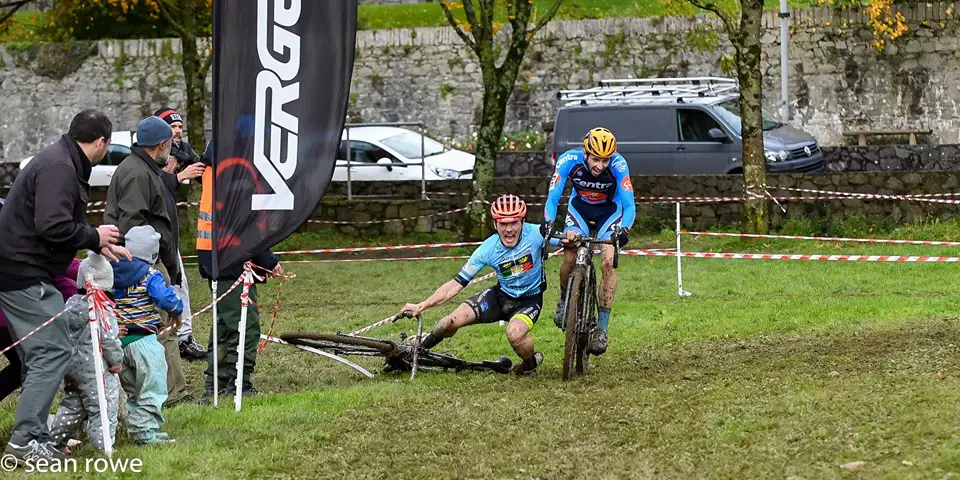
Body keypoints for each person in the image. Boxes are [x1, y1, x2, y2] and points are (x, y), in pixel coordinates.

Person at [0, 109, 129, 465]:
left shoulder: (61, 160)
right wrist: (93, 234)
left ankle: (36, 435)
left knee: (42, 352)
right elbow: (52, 224)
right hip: (22, 272)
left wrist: (95, 242)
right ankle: (25, 442)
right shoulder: (61, 167)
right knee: (52, 350)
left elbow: (59, 218)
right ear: (102, 142)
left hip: (25, 269)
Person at [400, 195, 546, 376]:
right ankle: (417, 350)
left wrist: (572, 237)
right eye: (503, 224)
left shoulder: (538, 233)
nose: (509, 230)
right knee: (447, 323)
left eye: (514, 223)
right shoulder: (487, 248)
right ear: (495, 224)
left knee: (514, 333)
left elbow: (568, 240)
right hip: (500, 297)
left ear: (522, 222)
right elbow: (456, 283)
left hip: (529, 301)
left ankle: (529, 365)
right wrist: (422, 305)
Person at [103, 115, 192, 407]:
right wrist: (145, 268)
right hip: (141, 262)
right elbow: (131, 223)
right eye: (170, 141)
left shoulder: (144, 167)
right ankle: (170, 395)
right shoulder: (137, 173)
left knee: (161, 327)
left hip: (148, 259)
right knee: (162, 326)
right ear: (161, 143)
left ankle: (166, 391)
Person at [195, 152, 282, 399]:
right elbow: (244, 224)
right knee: (245, 325)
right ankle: (238, 382)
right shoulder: (235, 172)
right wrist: (268, 260)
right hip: (231, 257)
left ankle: (217, 383)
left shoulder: (214, 170)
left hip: (213, 255)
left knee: (224, 324)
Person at [544, 127, 635, 355]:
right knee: (570, 255)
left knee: (607, 261)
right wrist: (548, 223)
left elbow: (630, 205)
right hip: (580, 210)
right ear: (585, 153)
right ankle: (565, 300)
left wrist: (624, 230)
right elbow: (553, 197)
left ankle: (602, 329)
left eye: (605, 161)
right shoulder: (568, 160)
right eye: (595, 159)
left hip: (610, 213)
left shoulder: (619, 165)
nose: (600, 166)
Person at [111, 226, 181, 444]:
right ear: (153, 253)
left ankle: (138, 429)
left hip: (118, 343)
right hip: (145, 342)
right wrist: (176, 309)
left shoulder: (110, 271)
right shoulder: (150, 274)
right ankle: (146, 431)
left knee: (132, 389)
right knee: (152, 387)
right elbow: (164, 298)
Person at [50, 252, 122, 453]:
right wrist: (116, 361)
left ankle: (55, 442)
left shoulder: (69, 305)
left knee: (72, 405)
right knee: (104, 405)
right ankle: (104, 445)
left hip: (71, 366)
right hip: (95, 368)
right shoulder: (101, 308)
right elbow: (109, 339)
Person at [154, 107, 207, 362]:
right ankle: (161, 339)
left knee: (180, 283)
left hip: (169, 232)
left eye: (179, 127)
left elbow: (202, 171)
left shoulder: (181, 150)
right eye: (172, 127)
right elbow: (153, 185)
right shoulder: (150, 154)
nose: (177, 131)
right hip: (151, 235)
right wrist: (179, 176)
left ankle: (184, 338)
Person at [0, 259, 79, 403]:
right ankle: (31, 418)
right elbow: (63, 270)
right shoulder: (36, 248)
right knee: (32, 366)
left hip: (9, 316)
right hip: (10, 317)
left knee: (25, 367)